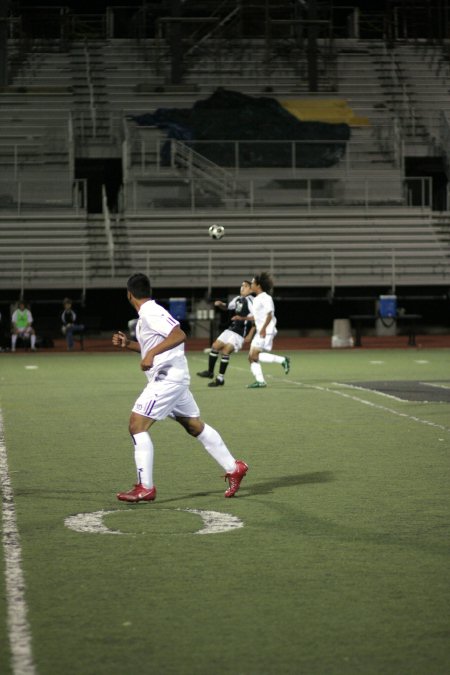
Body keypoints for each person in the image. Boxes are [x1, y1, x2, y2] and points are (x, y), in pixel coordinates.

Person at [112, 273, 248, 502]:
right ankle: (234, 467)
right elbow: (154, 344)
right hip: (175, 379)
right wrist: (129, 345)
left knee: (136, 425)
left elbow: (179, 335)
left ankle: (145, 487)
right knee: (193, 426)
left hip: (168, 379)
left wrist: (152, 353)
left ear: (129, 294)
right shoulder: (151, 312)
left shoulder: (150, 312)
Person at [197, 280, 254, 387]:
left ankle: (220, 378)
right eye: (242, 286)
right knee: (215, 346)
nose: (242, 288)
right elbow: (228, 306)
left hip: (240, 333)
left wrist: (246, 326)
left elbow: (256, 317)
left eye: (245, 286)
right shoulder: (238, 299)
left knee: (226, 350)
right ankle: (210, 372)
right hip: (231, 329)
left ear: (251, 289)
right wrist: (221, 304)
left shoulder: (251, 301)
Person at [246, 272, 290, 388]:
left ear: (258, 285)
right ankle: (260, 381)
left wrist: (264, 329)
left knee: (255, 356)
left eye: (252, 283)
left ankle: (283, 360)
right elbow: (256, 317)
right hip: (260, 330)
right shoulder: (256, 299)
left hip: (266, 330)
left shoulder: (266, 298)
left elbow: (269, 314)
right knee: (251, 357)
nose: (251, 284)